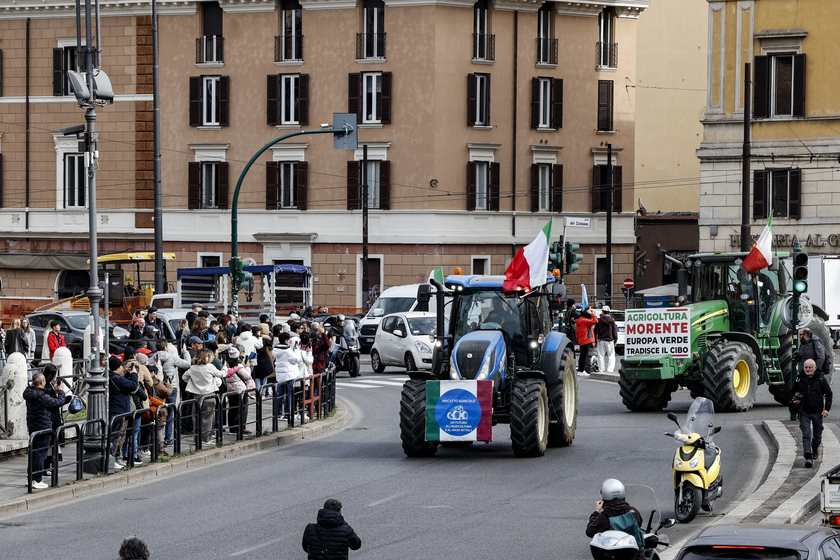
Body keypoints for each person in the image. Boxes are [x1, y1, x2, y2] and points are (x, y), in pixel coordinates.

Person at [23, 371, 66, 489]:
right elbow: (58, 402)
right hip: (44, 427)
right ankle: (37, 479)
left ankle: (30, 478)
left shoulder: (30, 393)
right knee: (40, 454)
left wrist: (53, 391)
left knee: (33, 453)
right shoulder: (42, 397)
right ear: (42, 382)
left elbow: (43, 394)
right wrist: (61, 391)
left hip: (33, 427)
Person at [585, 479, 645, 560]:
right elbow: (639, 523)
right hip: (636, 555)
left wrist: (596, 511)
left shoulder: (604, 517)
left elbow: (590, 531)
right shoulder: (633, 511)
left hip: (613, 556)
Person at [791, 358, 832, 468]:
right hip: (804, 411)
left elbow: (829, 394)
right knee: (806, 434)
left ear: (815, 368)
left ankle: (814, 448)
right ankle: (808, 456)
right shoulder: (800, 379)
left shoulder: (821, 379)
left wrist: (826, 409)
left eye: (810, 367)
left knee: (817, 437)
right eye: (806, 367)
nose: (808, 369)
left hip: (818, 412)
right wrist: (795, 400)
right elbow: (792, 392)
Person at [182, 348, 225, 446]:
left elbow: (184, 377)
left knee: (196, 417)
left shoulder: (193, 368)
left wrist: (194, 383)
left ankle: (197, 438)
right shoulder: (210, 367)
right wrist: (225, 368)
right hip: (209, 394)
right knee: (208, 418)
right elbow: (222, 374)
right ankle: (205, 439)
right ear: (207, 357)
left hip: (196, 395)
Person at [108, 356, 139, 469]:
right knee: (115, 436)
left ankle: (112, 458)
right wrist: (134, 375)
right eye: (122, 366)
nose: (123, 368)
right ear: (117, 367)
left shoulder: (112, 377)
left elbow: (123, 384)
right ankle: (111, 459)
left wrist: (128, 375)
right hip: (118, 410)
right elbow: (132, 386)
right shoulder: (116, 378)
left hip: (115, 409)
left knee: (115, 435)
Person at [575, 306, 599, 377]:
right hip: (586, 339)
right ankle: (582, 370)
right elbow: (596, 321)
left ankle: (580, 370)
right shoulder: (585, 321)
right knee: (585, 356)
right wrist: (591, 313)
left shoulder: (580, 320)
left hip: (581, 339)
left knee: (582, 355)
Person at [595, 306, 618, 373]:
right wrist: (615, 340)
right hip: (610, 340)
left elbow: (595, 330)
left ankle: (601, 370)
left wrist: (595, 339)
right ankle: (609, 370)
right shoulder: (612, 321)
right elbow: (614, 331)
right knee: (611, 356)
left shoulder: (599, 320)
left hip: (601, 340)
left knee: (601, 356)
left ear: (602, 312)